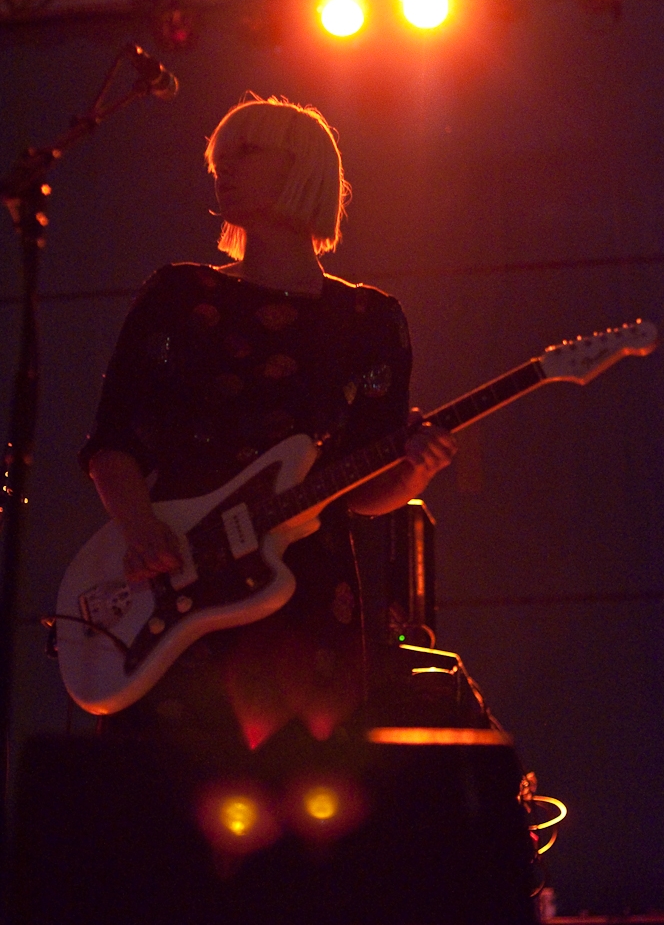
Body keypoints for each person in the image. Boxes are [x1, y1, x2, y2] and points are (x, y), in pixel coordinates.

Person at [79, 95, 456, 769]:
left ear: (304, 167)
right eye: (218, 157)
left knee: (308, 800)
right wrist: (140, 531)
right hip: (178, 576)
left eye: (244, 153)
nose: (222, 168)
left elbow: (363, 492)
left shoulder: (372, 320)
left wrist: (415, 473)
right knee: (165, 791)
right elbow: (113, 440)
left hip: (307, 598)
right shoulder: (180, 295)